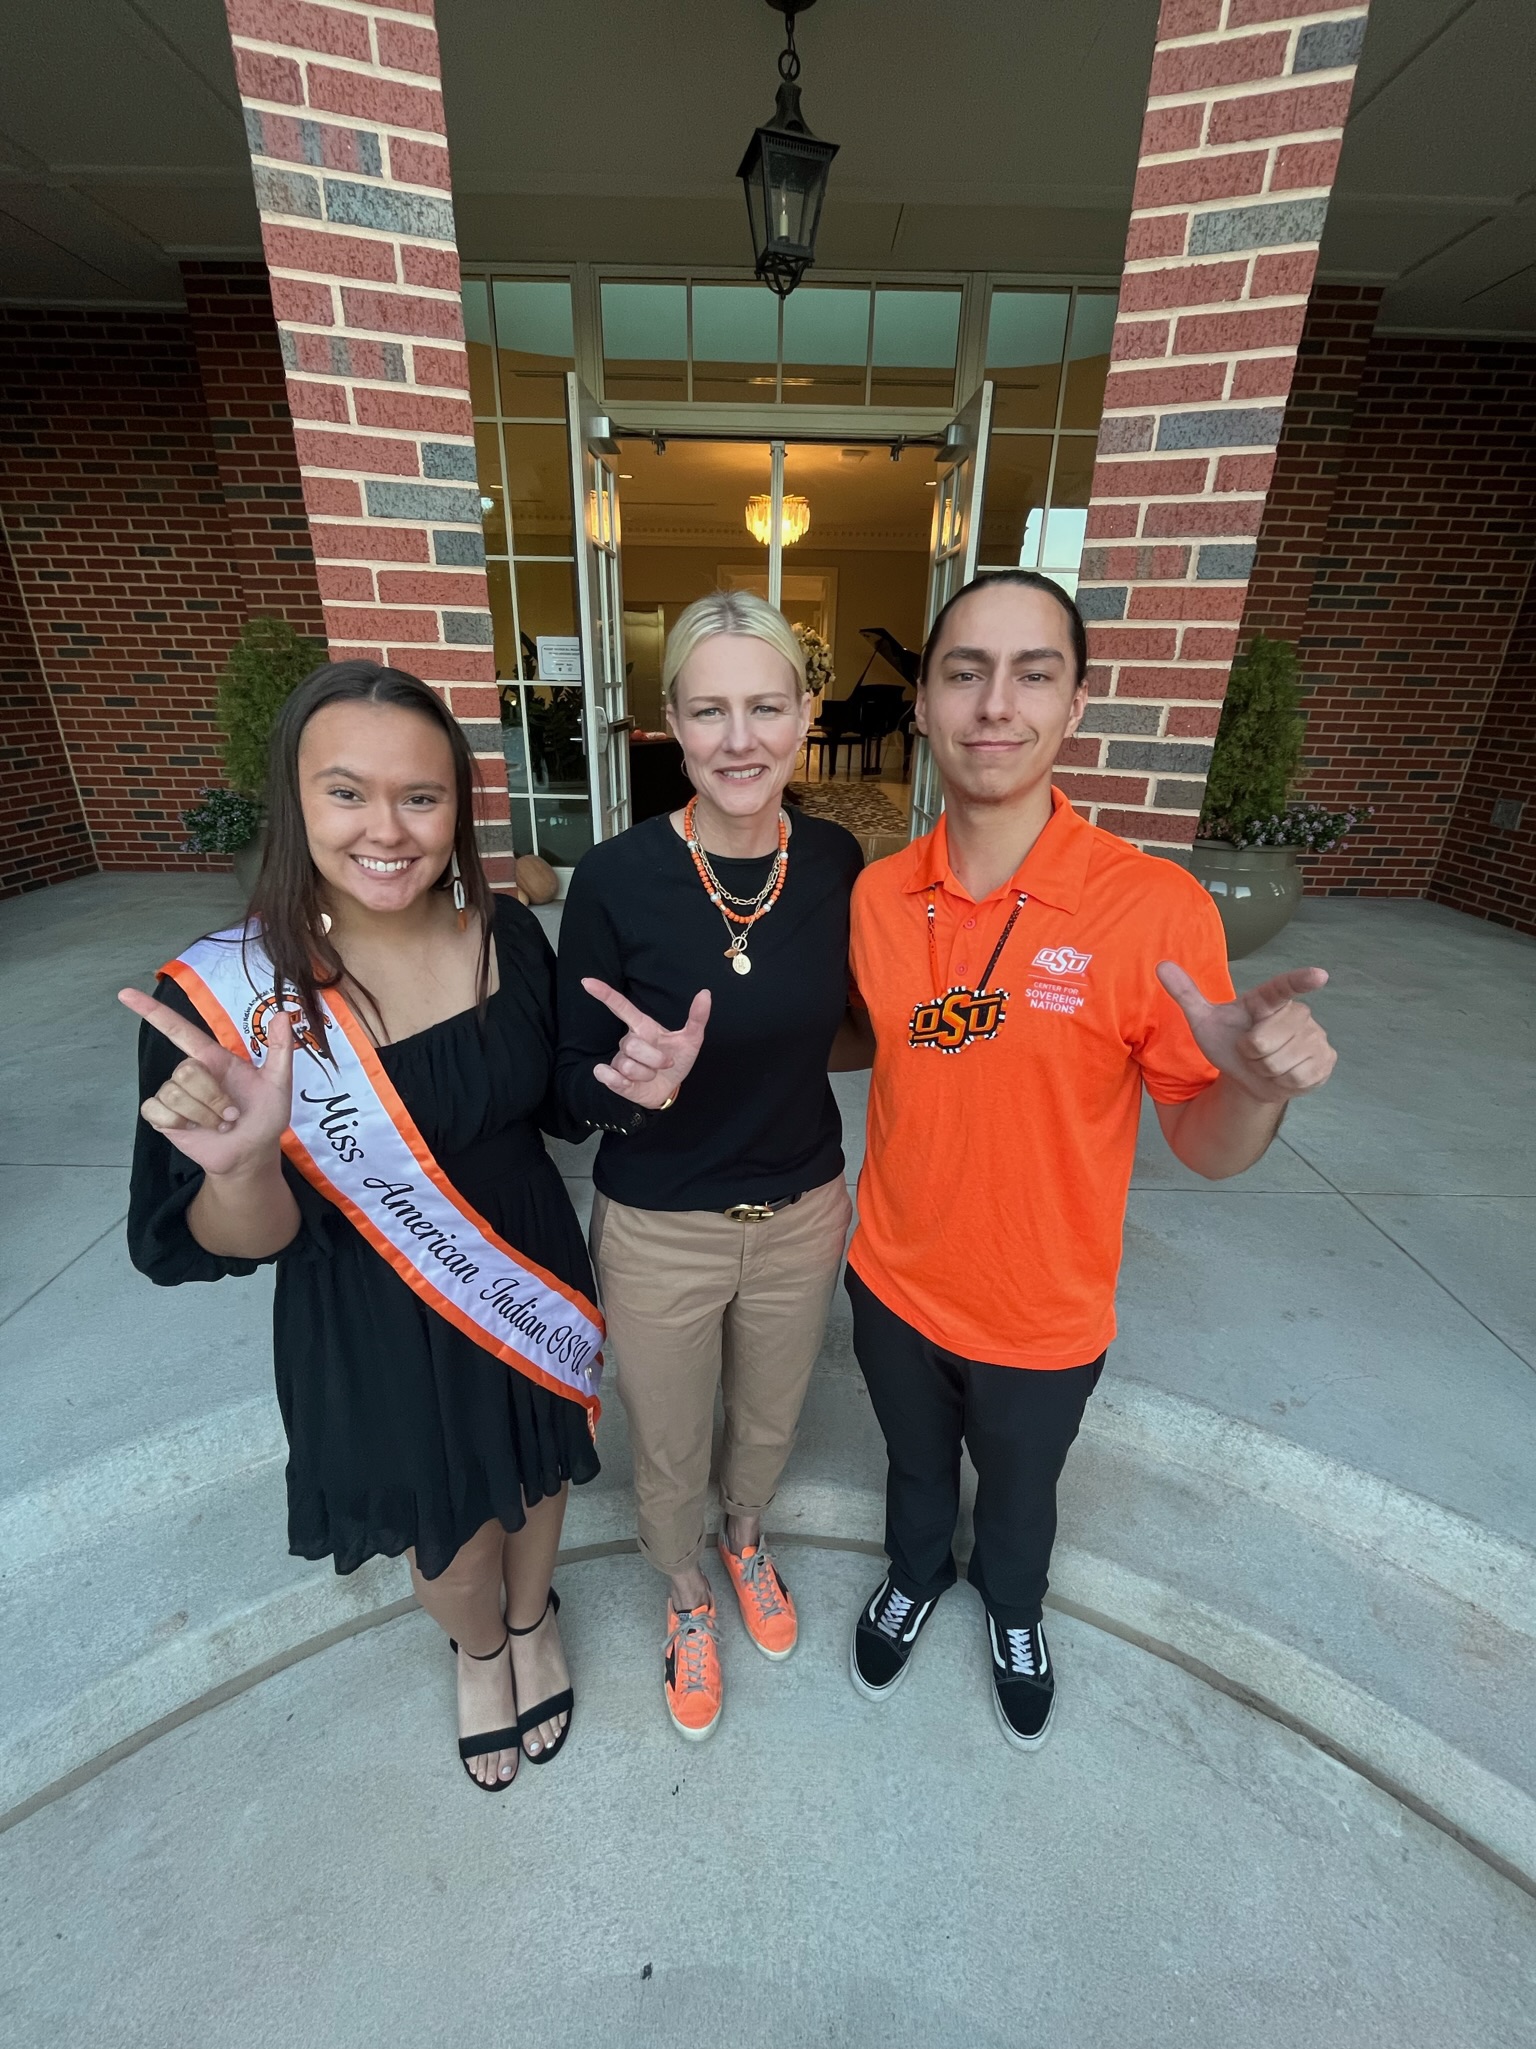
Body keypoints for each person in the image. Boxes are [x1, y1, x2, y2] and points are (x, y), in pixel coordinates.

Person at [842, 571, 1339, 1748]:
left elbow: (1207, 1150)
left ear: (1076, 707)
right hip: (893, 1281)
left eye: (1033, 674)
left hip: (1044, 1311)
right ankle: (914, 1580)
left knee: (1019, 1499)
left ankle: (1015, 1610)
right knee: (915, 1472)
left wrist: (1252, 1089)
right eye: (964, 672)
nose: (994, 704)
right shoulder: (874, 897)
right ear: (922, 702)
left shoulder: (1150, 907)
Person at [123, 661, 602, 1791]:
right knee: (444, 1523)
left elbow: (556, 1113)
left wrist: (631, 1085)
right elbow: (225, 1241)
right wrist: (244, 1165)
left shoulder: (507, 937)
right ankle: (480, 1649)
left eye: (420, 798)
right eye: (346, 793)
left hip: (523, 1256)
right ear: (294, 801)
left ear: (458, 810)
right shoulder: (223, 1002)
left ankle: (533, 1623)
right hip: (369, 1302)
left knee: (539, 1476)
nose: (386, 830)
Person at [556, 590, 864, 1741]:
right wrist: (627, 1092)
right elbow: (567, 1078)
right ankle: (684, 1590)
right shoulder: (616, 878)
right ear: (671, 726)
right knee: (671, 1435)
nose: (740, 739)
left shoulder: (836, 859)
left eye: (766, 706)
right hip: (664, 1222)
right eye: (709, 711)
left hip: (801, 1207)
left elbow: (868, 1019)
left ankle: (746, 1543)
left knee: (773, 1418)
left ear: (804, 716)